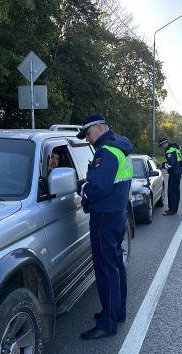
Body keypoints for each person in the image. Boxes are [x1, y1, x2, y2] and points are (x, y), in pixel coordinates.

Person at [76, 113, 133, 340]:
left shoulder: (106, 152)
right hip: (117, 214)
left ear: (99, 128)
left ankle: (108, 323)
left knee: (106, 270)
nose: (88, 139)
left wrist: (81, 186)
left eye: (88, 134)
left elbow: (98, 188)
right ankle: (117, 312)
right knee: (116, 266)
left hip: (104, 217)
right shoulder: (119, 148)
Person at [158, 138, 182, 215]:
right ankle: (174, 209)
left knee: (172, 191)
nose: (162, 147)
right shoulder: (175, 147)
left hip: (174, 172)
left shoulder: (170, 150)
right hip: (178, 171)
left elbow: (170, 164)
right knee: (175, 191)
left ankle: (172, 210)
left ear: (165, 143)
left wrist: (161, 166)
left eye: (162, 145)